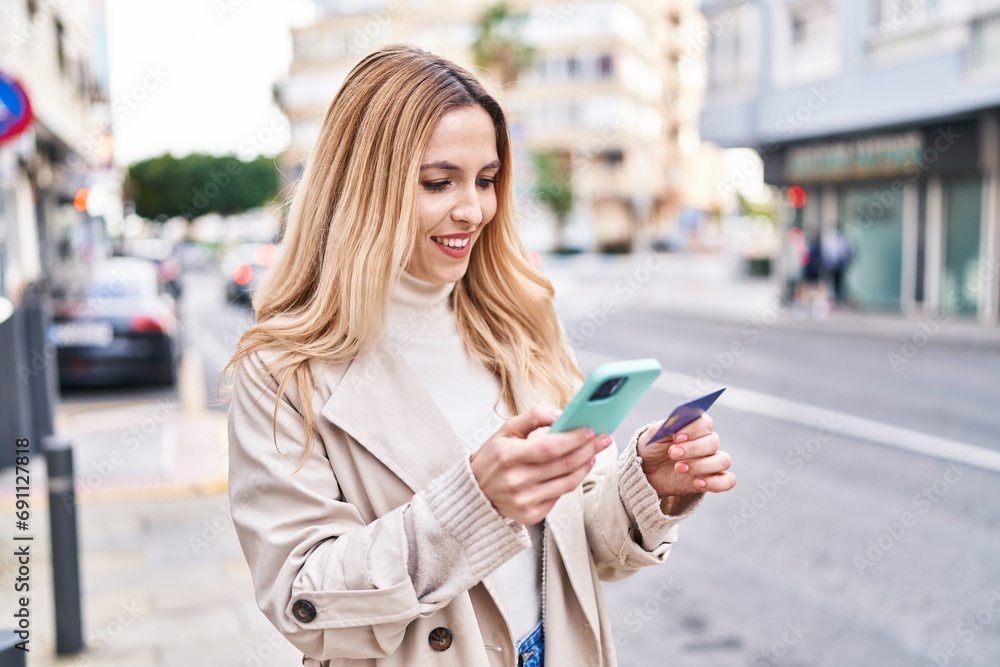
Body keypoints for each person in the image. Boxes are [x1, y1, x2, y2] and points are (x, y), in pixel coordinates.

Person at [225, 44, 736, 667]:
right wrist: (476, 504)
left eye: (487, 180)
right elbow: (302, 598)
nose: (473, 209)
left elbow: (580, 545)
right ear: (363, 187)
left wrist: (647, 487)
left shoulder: (520, 320)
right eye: (439, 182)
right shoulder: (283, 370)